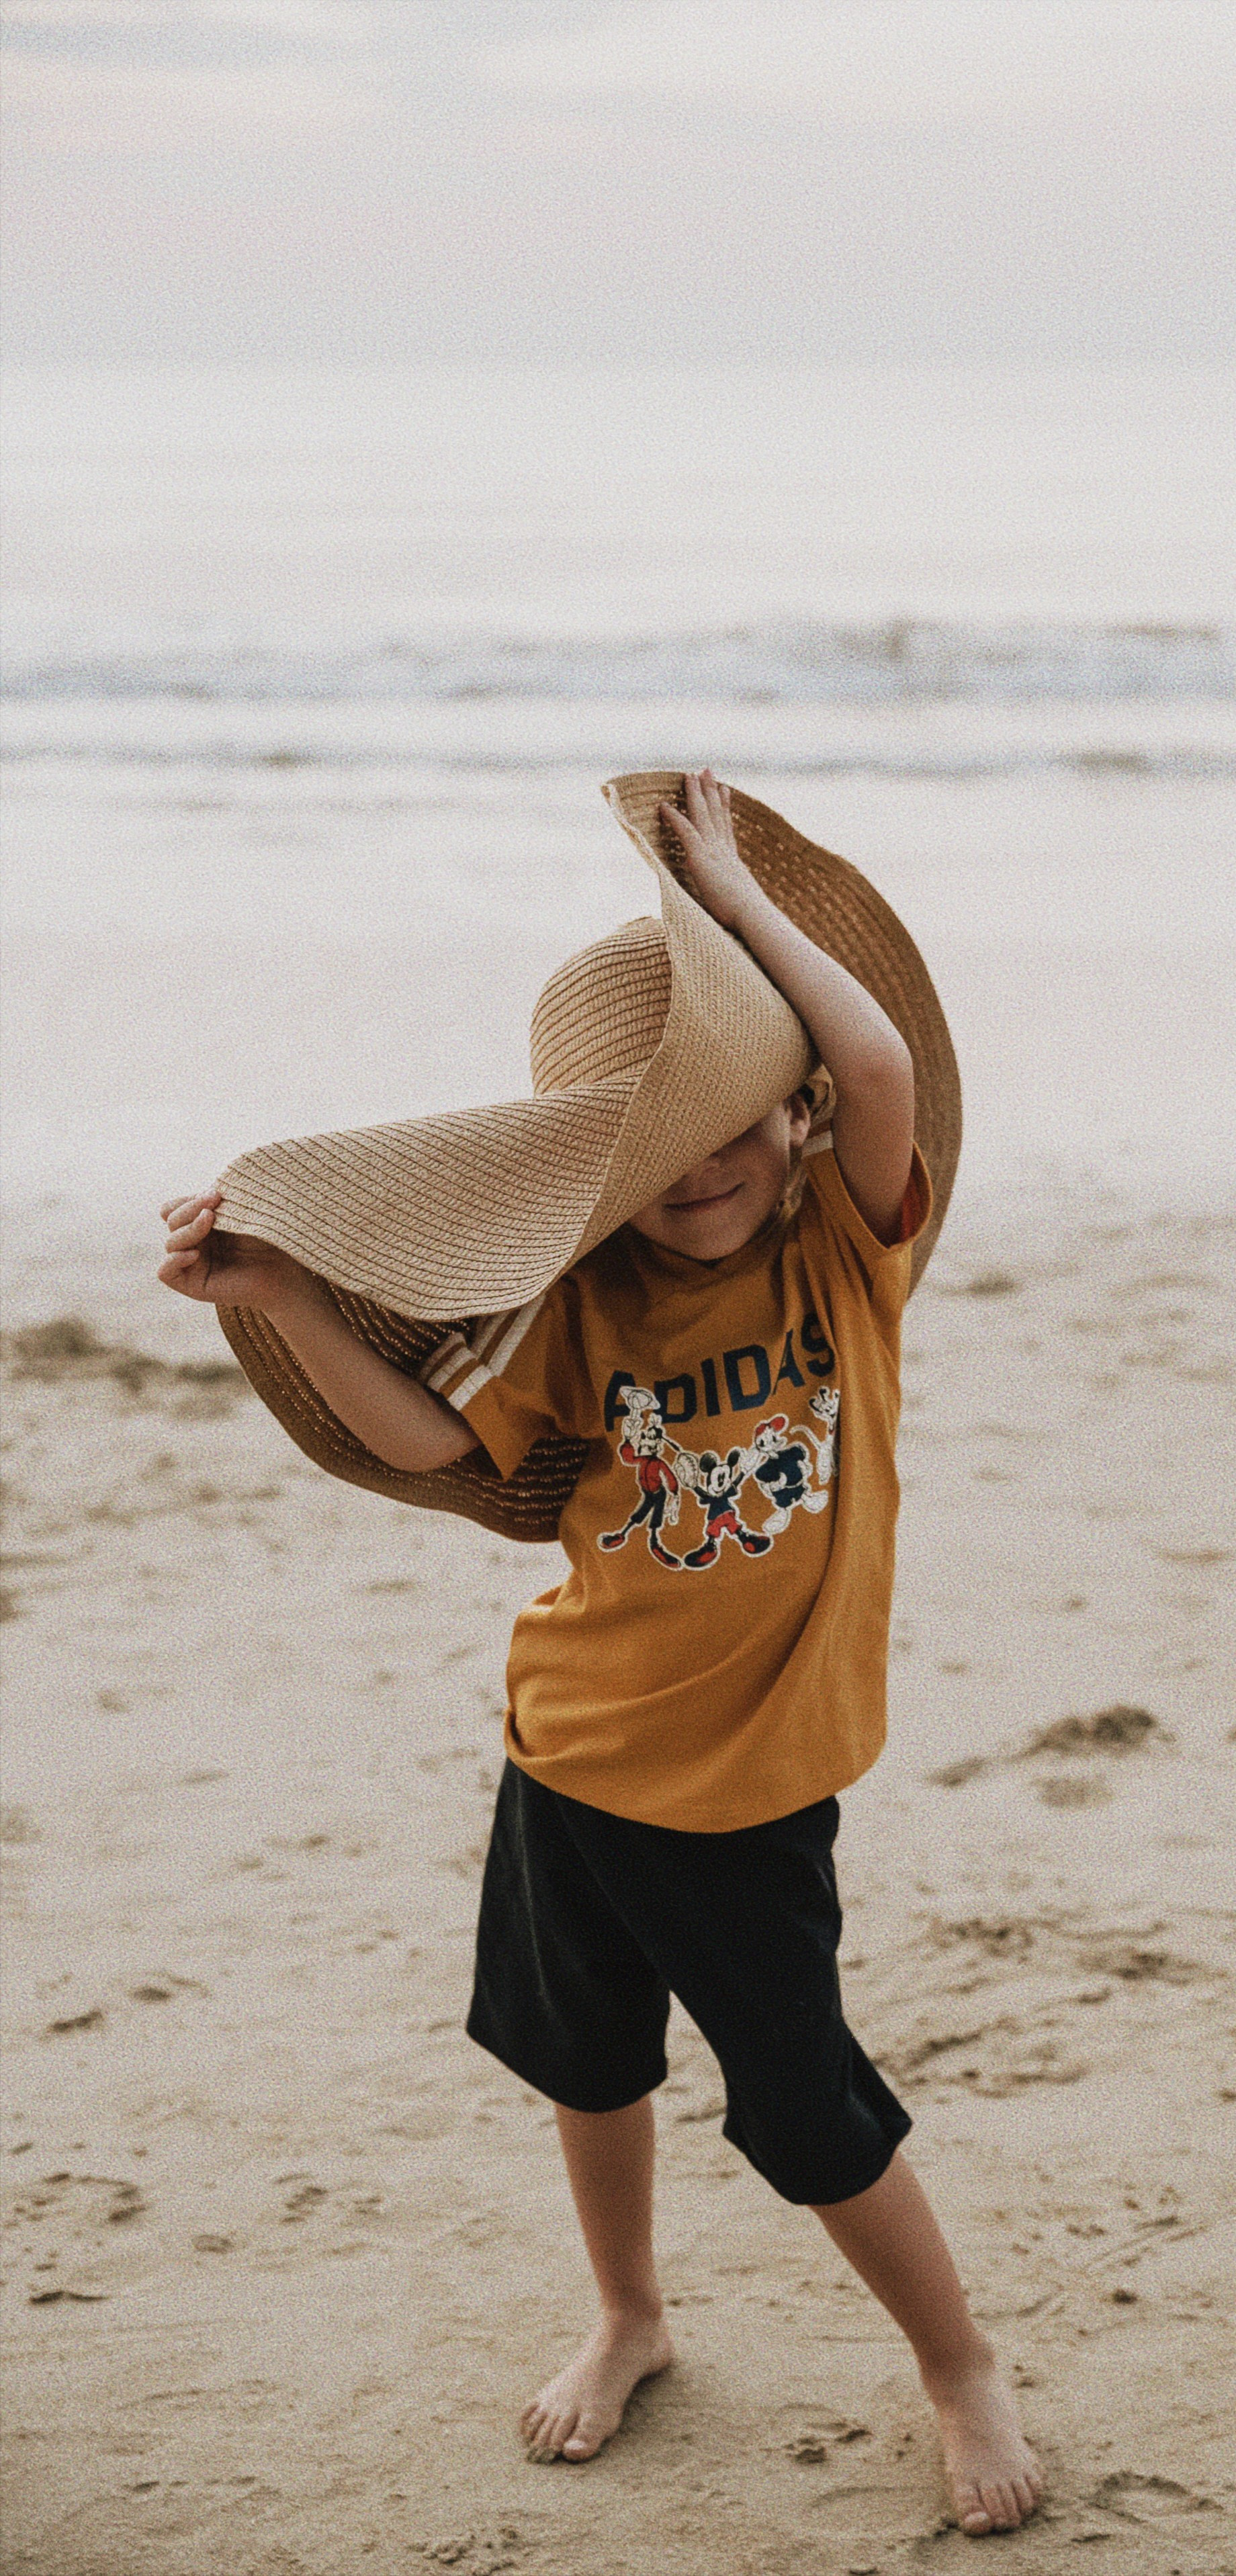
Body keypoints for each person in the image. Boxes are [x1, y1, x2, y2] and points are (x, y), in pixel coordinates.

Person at [158, 770, 1043, 2538]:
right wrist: (284, 1300)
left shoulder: (844, 1266)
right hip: (568, 1758)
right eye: (648, 1157)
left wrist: (726, 894)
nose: (700, 1172)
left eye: (726, 1125)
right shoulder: (581, 1308)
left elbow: (878, 1064)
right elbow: (427, 1440)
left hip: (754, 1793)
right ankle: (631, 2309)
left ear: (791, 1120)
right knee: (589, 2057)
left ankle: (957, 2362)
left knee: (810, 2106)